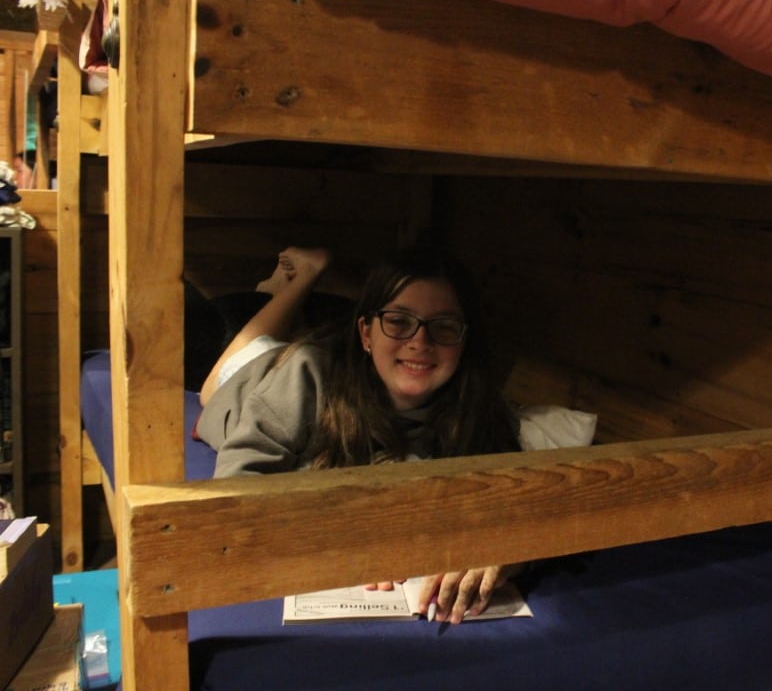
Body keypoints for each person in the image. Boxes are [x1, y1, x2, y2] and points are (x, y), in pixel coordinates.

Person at [195, 245, 526, 623]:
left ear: (464, 340)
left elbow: (522, 503)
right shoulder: (306, 374)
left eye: (444, 326)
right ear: (366, 335)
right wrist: (355, 537)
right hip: (249, 375)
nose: (421, 341)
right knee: (230, 361)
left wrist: (503, 551)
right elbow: (235, 494)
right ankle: (296, 279)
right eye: (400, 321)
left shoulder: (477, 406)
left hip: (338, 352)